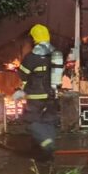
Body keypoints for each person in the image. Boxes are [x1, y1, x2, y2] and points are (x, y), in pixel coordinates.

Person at [14, 24, 63, 161]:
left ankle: (47, 143)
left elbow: (22, 75)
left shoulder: (31, 57)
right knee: (49, 121)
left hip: (35, 96)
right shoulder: (56, 54)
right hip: (52, 96)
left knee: (30, 121)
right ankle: (45, 152)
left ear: (34, 39)